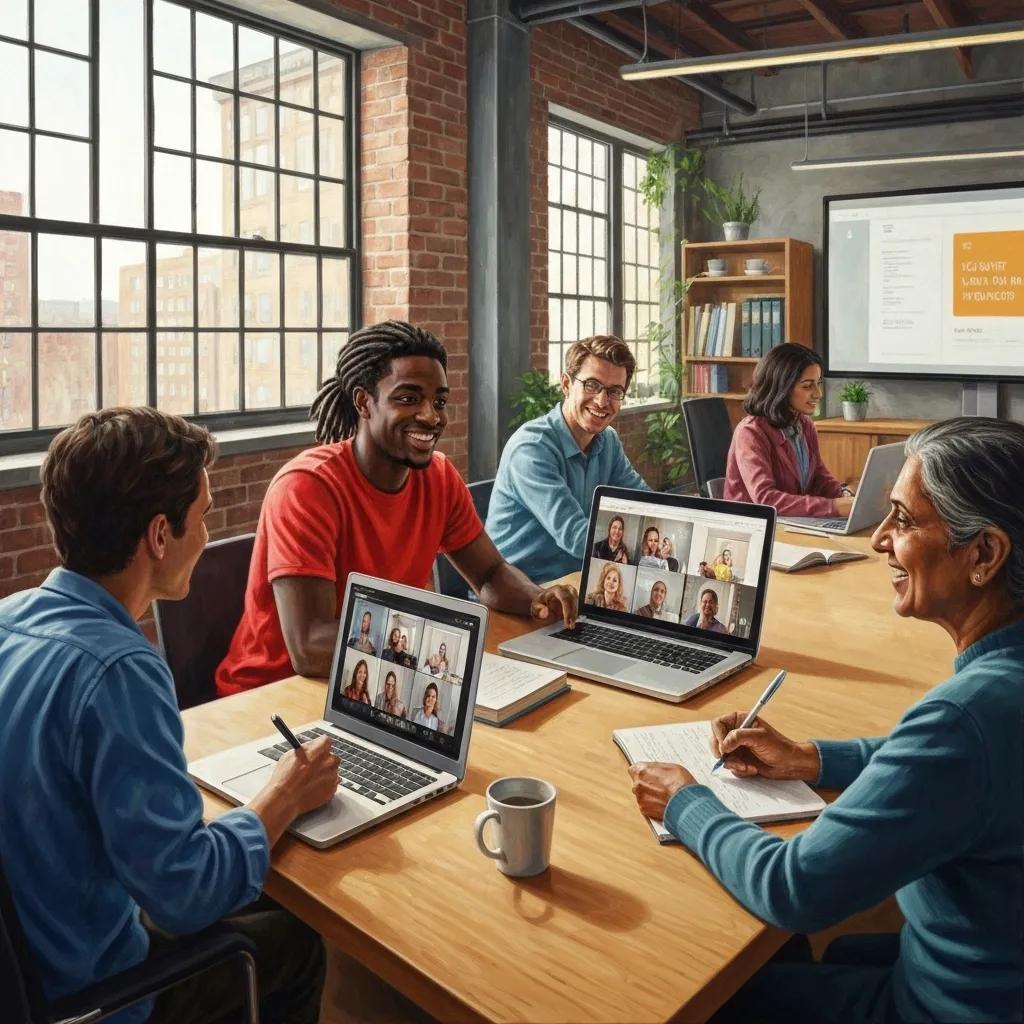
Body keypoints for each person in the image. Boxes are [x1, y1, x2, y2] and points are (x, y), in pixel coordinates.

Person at [629, 417, 1024, 1024]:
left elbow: (793, 888)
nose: (879, 539)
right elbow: (951, 766)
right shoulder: (991, 703)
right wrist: (812, 759)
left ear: (984, 555)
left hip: (945, 1008)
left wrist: (686, 802)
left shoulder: (965, 719)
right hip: (990, 969)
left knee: (695, 992)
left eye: (904, 519)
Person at [0, 408, 340, 1024]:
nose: (206, 535)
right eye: (204, 516)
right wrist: (286, 794)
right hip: (93, 995)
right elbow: (186, 893)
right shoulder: (119, 670)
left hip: (29, 958)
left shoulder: (10, 619)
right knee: (296, 946)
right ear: (160, 535)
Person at [216, 320, 576, 694]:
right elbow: (309, 647)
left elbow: (490, 574)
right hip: (276, 691)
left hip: (382, 677)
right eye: (408, 399)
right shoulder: (307, 487)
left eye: (439, 401)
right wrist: (437, 647)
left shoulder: (439, 477)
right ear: (363, 402)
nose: (431, 416)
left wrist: (535, 597)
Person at [486, 335, 649, 582]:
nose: (602, 401)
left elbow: (643, 500)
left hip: (574, 578)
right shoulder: (532, 448)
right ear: (566, 384)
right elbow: (575, 534)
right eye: (592, 385)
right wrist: (645, 554)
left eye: (614, 391)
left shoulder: (608, 441)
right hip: (518, 588)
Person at [724, 343, 854, 517]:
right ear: (782, 388)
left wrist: (845, 496)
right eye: (807, 386)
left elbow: (818, 478)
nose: (818, 393)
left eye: (818, 384)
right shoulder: (751, 432)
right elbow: (765, 499)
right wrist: (833, 507)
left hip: (791, 522)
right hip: (754, 526)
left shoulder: (805, 425)